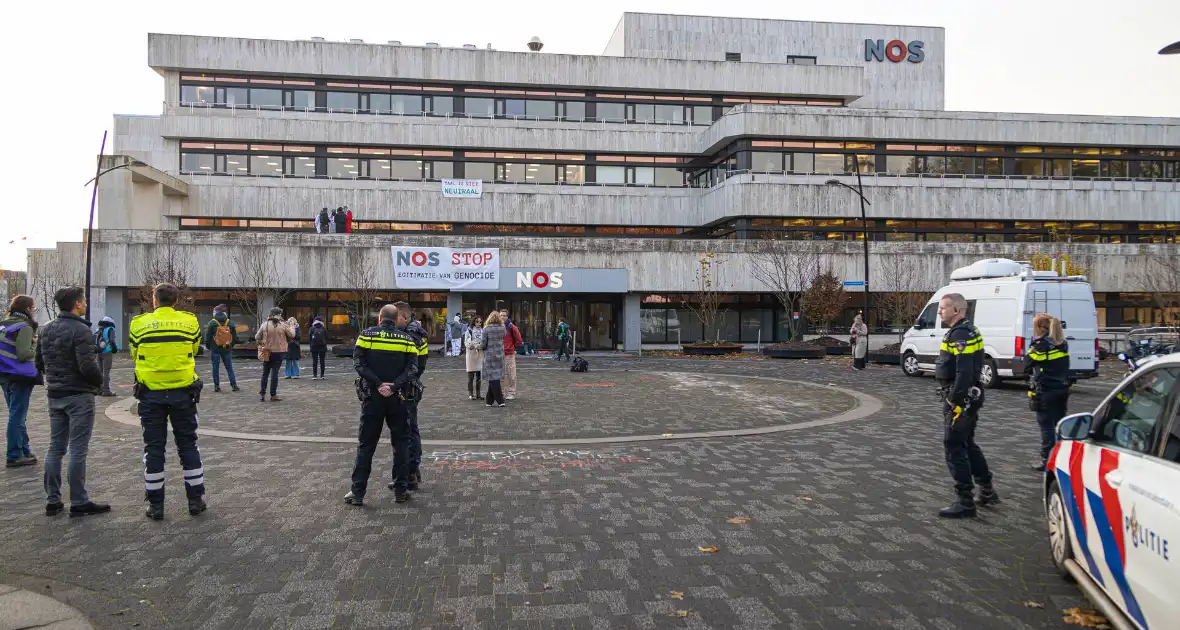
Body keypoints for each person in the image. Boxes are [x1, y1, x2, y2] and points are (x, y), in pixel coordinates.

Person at [129, 283, 207, 521]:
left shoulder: (138, 324)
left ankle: (156, 505)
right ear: (175, 300)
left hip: (150, 394)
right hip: (183, 393)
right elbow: (194, 349)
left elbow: (134, 352)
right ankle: (195, 500)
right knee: (188, 446)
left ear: (154, 300)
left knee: (153, 448)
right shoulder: (189, 322)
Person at [34, 287, 109, 517]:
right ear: (77, 304)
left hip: (55, 393)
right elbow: (88, 366)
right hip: (79, 395)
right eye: (84, 301)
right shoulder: (81, 330)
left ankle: (53, 500)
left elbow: (39, 362)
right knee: (78, 448)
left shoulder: (45, 330)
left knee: (55, 447)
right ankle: (78, 501)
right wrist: (99, 383)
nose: (86, 304)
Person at [346, 303, 420, 506]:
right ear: (397, 320)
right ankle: (400, 491)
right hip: (399, 399)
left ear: (379, 318)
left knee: (366, 446)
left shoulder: (367, 336)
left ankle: (358, 492)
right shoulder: (406, 339)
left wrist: (378, 384)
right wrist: (394, 386)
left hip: (372, 397)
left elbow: (358, 364)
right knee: (401, 444)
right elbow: (413, 369)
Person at [934, 292, 998, 518]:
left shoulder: (960, 333)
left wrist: (954, 400)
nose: (940, 311)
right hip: (968, 397)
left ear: (957, 310)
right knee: (967, 444)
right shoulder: (968, 330)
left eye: (943, 308)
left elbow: (964, 371)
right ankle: (987, 490)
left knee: (953, 446)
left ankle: (965, 502)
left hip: (961, 400)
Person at [1024, 313, 1071, 471]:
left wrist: (1034, 344)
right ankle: (1062, 458)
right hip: (1062, 389)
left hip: (1045, 390)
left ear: (1039, 327)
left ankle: (1046, 460)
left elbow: (1027, 364)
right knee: (1059, 424)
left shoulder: (1040, 346)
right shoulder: (1062, 343)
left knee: (1046, 427)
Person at [1, 295, 40, 468]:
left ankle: (24, 449)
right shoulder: (24, 327)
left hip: (4, 375)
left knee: (15, 414)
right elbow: (23, 354)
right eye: (34, 308)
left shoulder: (5, 324)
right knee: (17, 416)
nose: (35, 311)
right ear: (27, 309)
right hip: (19, 376)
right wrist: (35, 345)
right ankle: (15, 454)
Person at [399, 308, 429, 491]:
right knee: (412, 428)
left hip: (407, 386)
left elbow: (410, 363)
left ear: (405, 317)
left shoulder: (410, 335)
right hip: (412, 384)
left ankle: (410, 471)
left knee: (408, 429)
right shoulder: (417, 333)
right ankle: (413, 469)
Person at [255, 307, 293, 402]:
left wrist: (262, 343)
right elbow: (292, 335)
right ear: (279, 314)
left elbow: (257, 337)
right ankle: (273, 394)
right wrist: (292, 325)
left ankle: (262, 394)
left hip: (267, 352)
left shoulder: (265, 324)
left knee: (265, 373)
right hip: (278, 352)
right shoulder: (283, 325)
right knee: (274, 374)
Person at [203, 309, 240, 393]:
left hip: (215, 349)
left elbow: (207, 338)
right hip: (226, 348)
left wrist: (209, 347)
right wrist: (230, 345)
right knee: (229, 367)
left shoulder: (212, 323)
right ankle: (234, 385)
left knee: (215, 367)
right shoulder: (230, 322)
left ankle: (217, 386)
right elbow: (234, 337)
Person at [481, 312, 507, 407]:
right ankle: (489, 400)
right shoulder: (503, 328)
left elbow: (483, 344)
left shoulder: (486, 329)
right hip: (499, 354)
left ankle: (500, 401)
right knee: (494, 377)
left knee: (493, 378)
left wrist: (477, 346)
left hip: (490, 356)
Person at [499, 309, 522, 400]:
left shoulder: (512, 327)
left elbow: (519, 340)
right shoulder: (497, 326)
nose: (502, 317)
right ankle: (501, 392)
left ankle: (511, 392)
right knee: (501, 375)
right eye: (501, 315)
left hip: (509, 354)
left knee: (511, 374)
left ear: (507, 317)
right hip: (499, 354)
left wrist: (511, 347)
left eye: (504, 315)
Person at [94, 316, 119, 396]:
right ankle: (106, 390)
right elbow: (112, 340)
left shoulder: (99, 329)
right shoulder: (110, 329)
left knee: (100, 372)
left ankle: (99, 390)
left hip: (99, 352)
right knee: (106, 372)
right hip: (107, 352)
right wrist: (114, 349)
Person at [464, 316, 484, 400]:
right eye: (477, 322)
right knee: (471, 375)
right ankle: (470, 394)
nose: (479, 324)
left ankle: (478, 394)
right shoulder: (469, 330)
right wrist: (474, 344)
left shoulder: (483, 330)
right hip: (471, 353)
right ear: (473, 322)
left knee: (479, 375)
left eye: (480, 322)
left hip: (480, 353)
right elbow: (467, 343)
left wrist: (482, 345)